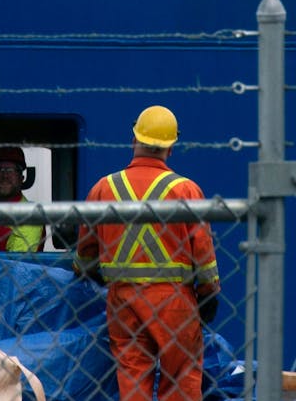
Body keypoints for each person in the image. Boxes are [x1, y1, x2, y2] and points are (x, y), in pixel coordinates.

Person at [75, 105, 220, 401]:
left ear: (134, 140)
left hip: (123, 301)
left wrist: (94, 272)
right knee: (180, 380)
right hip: (175, 303)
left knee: (132, 377)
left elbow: (85, 256)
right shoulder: (186, 191)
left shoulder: (104, 189)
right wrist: (208, 293)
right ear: (171, 147)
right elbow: (203, 256)